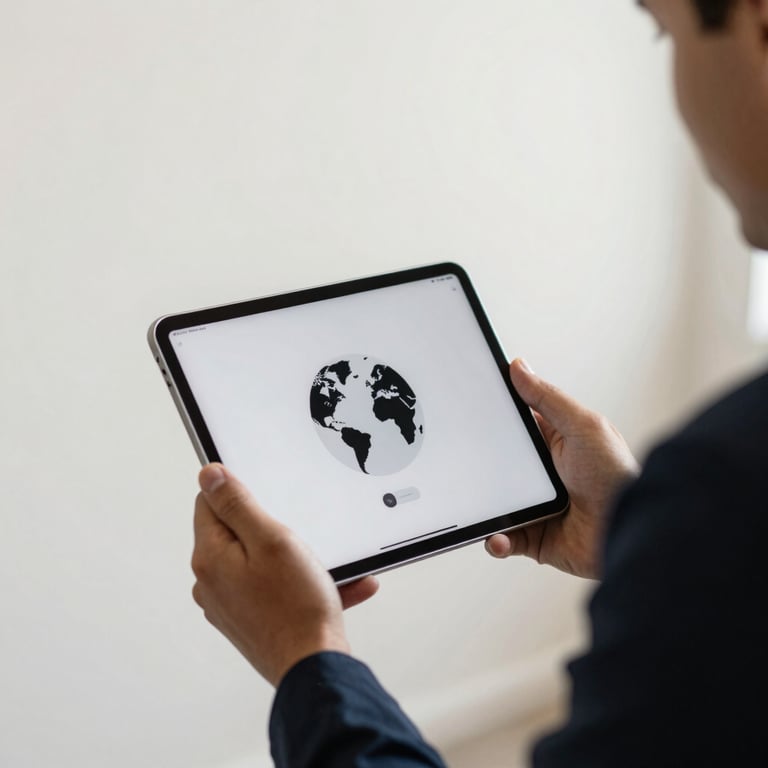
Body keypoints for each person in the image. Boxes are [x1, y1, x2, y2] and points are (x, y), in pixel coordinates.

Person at [189, 0, 768, 765]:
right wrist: (644, 541)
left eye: (668, 33)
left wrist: (308, 655)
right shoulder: (722, 509)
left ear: (759, 23)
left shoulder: (728, 485)